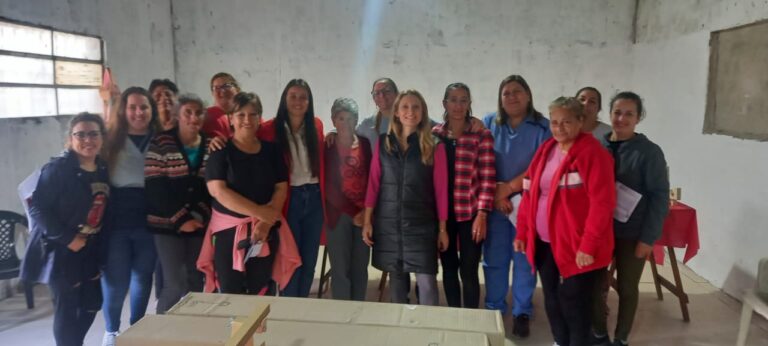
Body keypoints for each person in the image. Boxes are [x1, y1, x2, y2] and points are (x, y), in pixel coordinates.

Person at [514, 96, 616, 346]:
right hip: (544, 242)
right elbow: (529, 193)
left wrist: (588, 246)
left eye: (566, 122)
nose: (559, 128)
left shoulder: (593, 154)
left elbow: (602, 204)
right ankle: (560, 341)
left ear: (581, 121)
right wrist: (523, 232)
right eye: (554, 122)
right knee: (551, 297)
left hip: (578, 246)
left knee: (574, 303)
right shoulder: (546, 150)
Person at [20, 113, 110, 346]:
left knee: (93, 302)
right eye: (81, 134)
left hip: (89, 248)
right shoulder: (58, 169)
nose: (88, 139)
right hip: (60, 249)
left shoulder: (102, 168)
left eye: (93, 134)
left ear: (102, 138)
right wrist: (68, 238)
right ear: (70, 138)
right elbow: (38, 208)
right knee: (67, 308)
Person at [591, 92, 669, 346]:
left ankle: (621, 337)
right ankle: (599, 333)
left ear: (638, 118)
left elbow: (659, 198)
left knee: (627, 287)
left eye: (629, 114)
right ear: (609, 114)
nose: (621, 119)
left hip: (632, 233)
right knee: (593, 284)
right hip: (599, 231)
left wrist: (648, 238)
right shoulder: (597, 145)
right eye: (617, 112)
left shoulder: (649, 152)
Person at [362, 89, 449, 306]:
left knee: (427, 283)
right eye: (405, 107)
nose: (411, 111)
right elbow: (373, 184)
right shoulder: (384, 143)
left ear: (423, 112)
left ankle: (429, 325)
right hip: (389, 224)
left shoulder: (434, 146)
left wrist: (442, 229)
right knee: (397, 284)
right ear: (397, 112)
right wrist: (367, 221)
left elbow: (441, 191)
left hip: (422, 226)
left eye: (416, 106)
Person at [198, 92, 290, 294]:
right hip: (228, 232)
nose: (247, 120)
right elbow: (218, 190)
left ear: (259, 118)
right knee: (230, 290)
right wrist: (261, 213)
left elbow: (281, 188)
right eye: (241, 114)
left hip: (265, 229)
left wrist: (265, 223)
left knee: (260, 287)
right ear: (231, 118)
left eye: (253, 114)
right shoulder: (220, 150)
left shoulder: (272, 151)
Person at [482, 75, 550, 337]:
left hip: (527, 205)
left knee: (524, 259)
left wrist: (509, 188)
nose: (511, 97)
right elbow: (481, 160)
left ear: (528, 95)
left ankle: (522, 311)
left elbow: (542, 166)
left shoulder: (543, 128)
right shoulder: (489, 123)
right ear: (500, 99)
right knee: (494, 259)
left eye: (517, 91)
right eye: (506, 93)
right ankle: (494, 307)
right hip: (495, 204)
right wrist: (498, 193)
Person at [100, 87, 160, 346]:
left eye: (144, 107)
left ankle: (136, 327)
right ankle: (111, 330)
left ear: (151, 110)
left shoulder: (160, 139)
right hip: (117, 221)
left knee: (143, 277)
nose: (138, 112)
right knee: (115, 281)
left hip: (150, 220)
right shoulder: (110, 140)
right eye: (132, 107)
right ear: (123, 110)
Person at [258, 79, 325, 298]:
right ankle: (289, 305)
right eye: (293, 96)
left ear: (309, 101)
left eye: (303, 97)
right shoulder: (268, 129)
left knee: (309, 260)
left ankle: (301, 304)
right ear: (284, 99)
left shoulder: (316, 125)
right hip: (289, 198)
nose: (298, 101)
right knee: (289, 258)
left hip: (314, 197)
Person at [145, 93, 211, 313]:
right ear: (177, 116)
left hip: (198, 223)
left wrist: (199, 216)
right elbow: (155, 187)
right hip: (166, 224)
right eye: (187, 112)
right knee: (174, 284)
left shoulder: (210, 144)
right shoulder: (161, 142)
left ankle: (190, 328)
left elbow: (210, 187)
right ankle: (162, 329)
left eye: (198, 113)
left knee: (196, 281)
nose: (194, 117)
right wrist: (181, 219)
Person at [432, 83, 496, 308]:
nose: (458, 105)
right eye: (453, 100)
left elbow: (488, 178)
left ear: (469, 103)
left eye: (463, 100)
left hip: (470, 213)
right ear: (444, 103)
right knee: (449, 268)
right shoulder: (434, 135)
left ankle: (471, 317)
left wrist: (482, 214)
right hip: (443, 216)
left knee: (468, 270)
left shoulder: (481, 135)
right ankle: (453, 314)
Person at [324, 97, 372, 301]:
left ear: (357, 120)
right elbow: (329, 187)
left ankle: (358, 307)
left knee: (360, 266)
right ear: (334, 120)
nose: (346, 123)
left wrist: (366, 212)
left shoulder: (365, 144)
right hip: (339, 214)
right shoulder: (328, 146)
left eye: (351, 118)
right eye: (341, 118)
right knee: (341, 267)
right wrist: (354, 214)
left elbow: (372, 179)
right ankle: (342, 310)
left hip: (364, 215)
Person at [203, 72, 241, 138]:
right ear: (212, 93)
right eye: (217, 88)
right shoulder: (204, 116)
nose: (223, 91)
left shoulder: (248, 115)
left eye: (227, 86)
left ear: (237, 89)